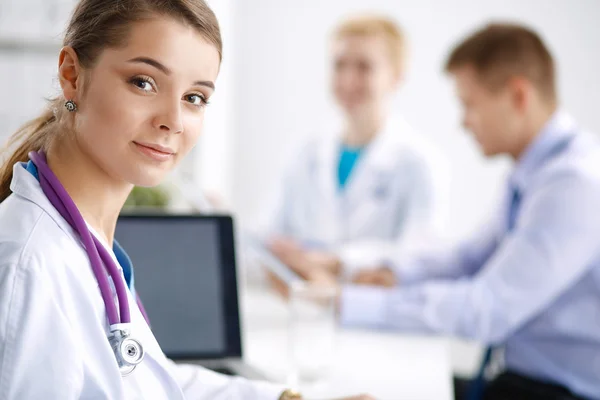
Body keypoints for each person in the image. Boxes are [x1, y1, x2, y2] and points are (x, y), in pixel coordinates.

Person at [0, 1, 373, 399]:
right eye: (143, 82)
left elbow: (148, 384)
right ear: (71, 75)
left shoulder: (84, 241)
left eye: (195, 97)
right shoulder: (30, 267)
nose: (173, 121)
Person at [280, 23, 600, 400]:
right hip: (517, 378)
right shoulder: (533, 172)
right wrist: (362, 270)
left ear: (517, 95)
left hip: (557, 391)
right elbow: (468, 258)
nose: (463, 122)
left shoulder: (574, 183)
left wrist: (347, 302)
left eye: (469, 105)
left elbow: (488, 309)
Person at [260, 14, 449, 285]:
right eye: (339, 65)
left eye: (364, 67)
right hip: (301, 306)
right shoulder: (306, 153)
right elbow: (270, 234)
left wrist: (338, 262)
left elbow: (421, 256)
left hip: (376, 318)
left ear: (396, 76)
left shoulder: (421, 161)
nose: (348, 80)